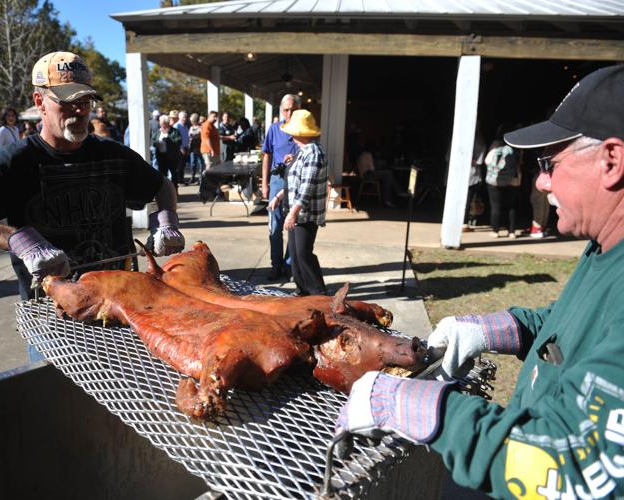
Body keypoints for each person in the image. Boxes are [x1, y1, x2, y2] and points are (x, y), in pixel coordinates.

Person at [334, 64, 624, 498]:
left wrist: (424, 407)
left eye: (550, 162)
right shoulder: (605, 246)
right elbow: (578, 326)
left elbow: (577, 468)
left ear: (612, 161)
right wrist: (494, 329)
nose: (541, 181)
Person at [0, 50, 185, 360]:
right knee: (57, 404)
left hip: (120, 308)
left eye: (86, 102)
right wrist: (20, 242)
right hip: (52, 320)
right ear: (40, 103)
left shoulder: (113, 155)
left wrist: (167, 220)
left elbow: (163, 186)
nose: (79, 111)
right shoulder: (17, 161)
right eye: (67, 101)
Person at [268, 110, 327, 296]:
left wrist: (293, 213)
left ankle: (318, 294)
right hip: (295, 212)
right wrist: (278, 196)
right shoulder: (302, 153)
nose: (291, 136)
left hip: (305, 214)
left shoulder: (313, 154)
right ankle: (302, 291)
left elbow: (306, 188)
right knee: (295, 253)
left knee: (303, 253)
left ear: (300, 134)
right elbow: (294, 182)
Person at [261, 94, 299, 280]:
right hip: (277, 181)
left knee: (293, 225)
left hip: (296, 183)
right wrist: (265, 184)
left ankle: (290, 265)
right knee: (275, 227)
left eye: (292, 109)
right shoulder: (274, 129)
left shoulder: (303, 131)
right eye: (286, 109)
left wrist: (296, 159)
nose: (289, 113)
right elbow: (266, 155)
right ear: (281, 110)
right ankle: (276, 265)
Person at [485, 126, 522, 238]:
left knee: (496, 206)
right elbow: (520, 162)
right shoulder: (517, 145)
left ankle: (495, 231)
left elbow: (487, 161)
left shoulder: (496, 144)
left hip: (495, 180)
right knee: (511, 206)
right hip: (513, 180)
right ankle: (511, 231)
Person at [153, 114, 183, 190]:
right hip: (160, 156)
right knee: (162, 175)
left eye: (161, 122)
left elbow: (179, 141)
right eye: (160, 122)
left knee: (173, 174)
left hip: (171, 157)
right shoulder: (158, 131)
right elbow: (153, 140)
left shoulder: (175, 131)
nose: (160, 123)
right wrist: (156, 143)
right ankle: (164, 191)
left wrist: (168, 141)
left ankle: (174, 190)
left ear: (166, 123)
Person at [173, 111, 190, 184]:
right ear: (179, 117)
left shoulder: (185, 126)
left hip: (186, 147)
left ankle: (181, 179)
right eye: (183, 117)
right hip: (180, 148)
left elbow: (187, 137)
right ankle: (178, 181)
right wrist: (181, 147)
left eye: (186, 117)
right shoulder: (177, 126)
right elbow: (176, 139)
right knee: (179, 165)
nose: (185, 118)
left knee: (183, 165)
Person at [187, 112, 204, 184]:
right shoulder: (190, 128)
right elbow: (189, 137)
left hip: (199, 147)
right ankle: (192, 177)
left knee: (201, 163)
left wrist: (194, 137)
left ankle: (201, 178)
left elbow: (201, 137)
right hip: (192, 148)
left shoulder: (201, 128)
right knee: (193, 163)